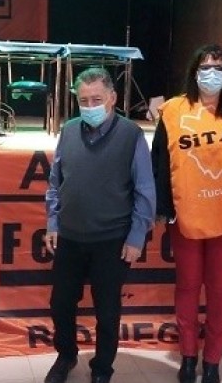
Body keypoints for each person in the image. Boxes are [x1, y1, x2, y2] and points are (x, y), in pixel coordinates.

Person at [151, 44, 222, 383]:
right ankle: (189, 357)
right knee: (188, 286)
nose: (211, 74)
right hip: (186, 216)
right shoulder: (174, 111)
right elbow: (159, 161)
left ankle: (213, 361)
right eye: (205, 67)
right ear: (194, 72)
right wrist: (162, 208)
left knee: (219, 289)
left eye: (218, 67)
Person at [44, 67, 156, 383]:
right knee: (60, 304)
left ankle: (102, 369)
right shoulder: (68, 131)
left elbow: (145, 190)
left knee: (107, 312)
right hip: (69, 237)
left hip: (112, 240)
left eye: (97, 99)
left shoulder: (131, 135)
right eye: (84, 100)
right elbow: (55, 182)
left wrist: (136, 237)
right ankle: (66, 356)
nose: (90, 106)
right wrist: (52, 221)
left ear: (112, 98)